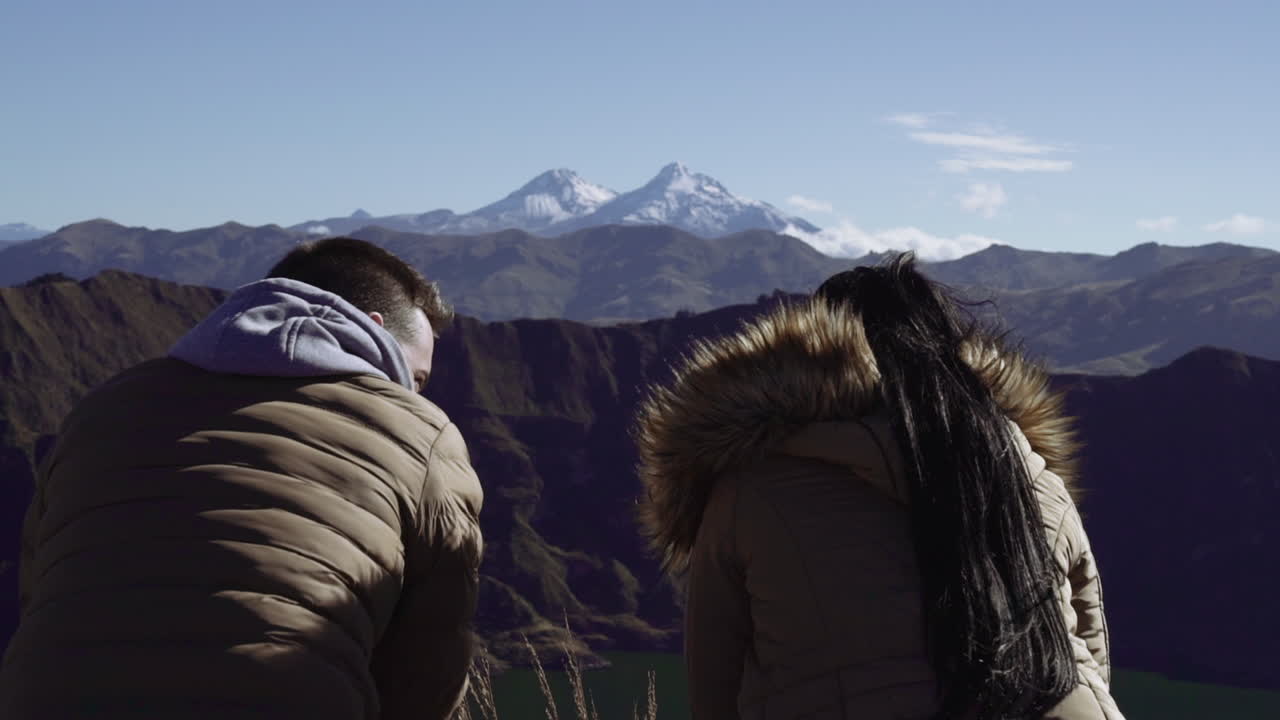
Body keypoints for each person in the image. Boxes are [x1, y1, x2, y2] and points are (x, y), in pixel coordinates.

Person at [0, 237, 484, 720]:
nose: (416, 395)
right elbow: (429, 663)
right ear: (370, 328)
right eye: (415, 377)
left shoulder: (102, 408)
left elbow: (37, 582)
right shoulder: (422, 434)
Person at [635, 253, 1123, 719]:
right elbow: (1092, 662)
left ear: (809, 354)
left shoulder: (748, 494)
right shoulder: (1037, 482)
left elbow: (714, 691)